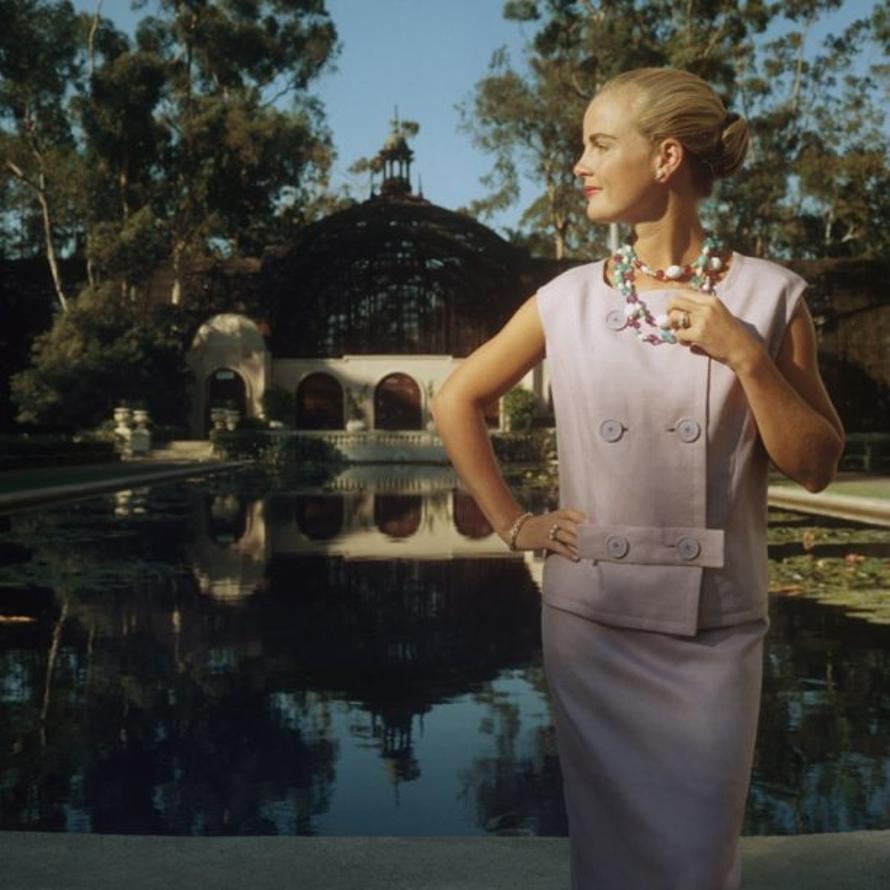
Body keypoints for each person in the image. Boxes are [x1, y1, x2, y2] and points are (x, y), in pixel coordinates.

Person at [430, 67, 845, 889]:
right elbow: (455, 397)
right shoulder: (567, 299)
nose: (579, 164)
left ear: (663, 159)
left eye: (598, 143)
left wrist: (746, 358)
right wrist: (515, 524)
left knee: (699, 858)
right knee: (609, 859)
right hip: (595, 621)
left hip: (717, 628)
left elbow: (819, 464)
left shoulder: (768, 297)